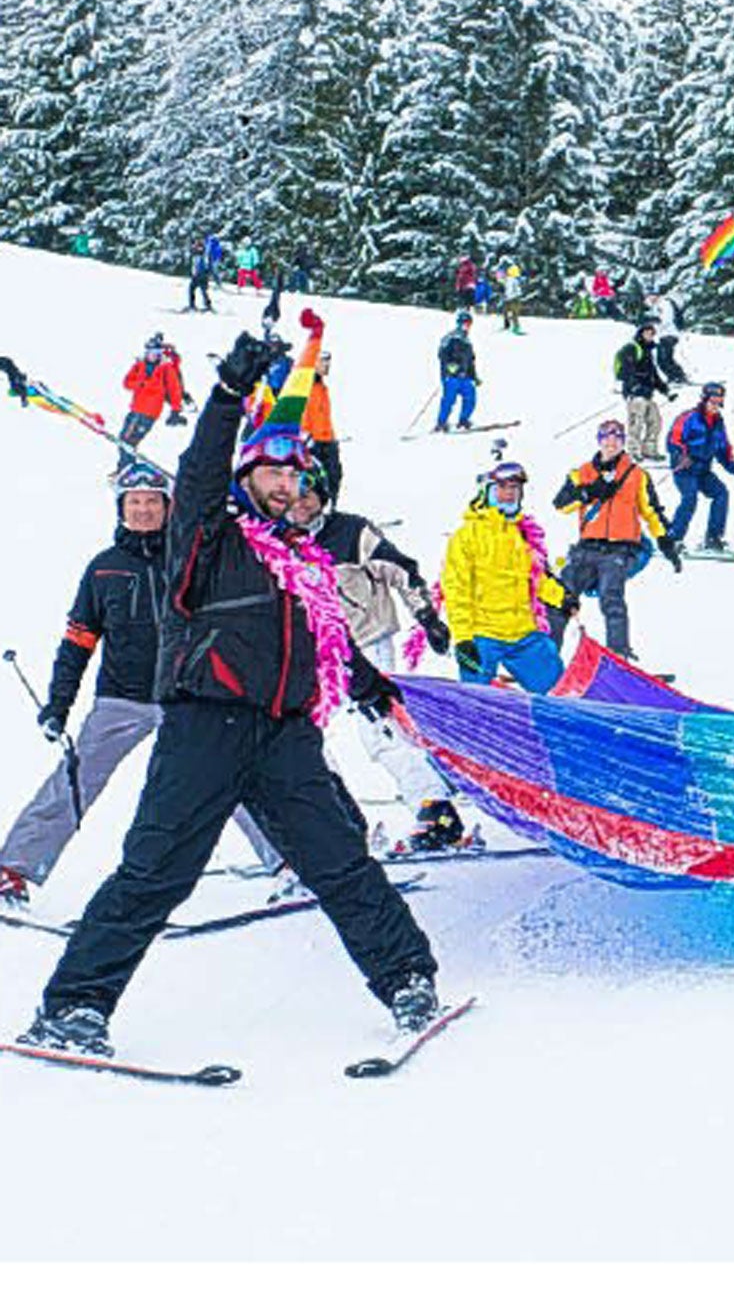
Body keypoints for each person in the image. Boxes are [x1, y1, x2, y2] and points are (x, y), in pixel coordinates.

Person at [15, 331, 439, 1059]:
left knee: (340, 860)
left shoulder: (307, 563)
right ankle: (73, 1007)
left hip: (285, 737)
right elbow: (199, 469)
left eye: (293, 475)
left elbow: (329, 645)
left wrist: (377, 693)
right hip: (203, 727)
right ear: (247, 477)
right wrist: (228, 394)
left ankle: (407, 979)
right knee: (155, 871)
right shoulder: (208, 534)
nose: (283, 485)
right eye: (269, 472)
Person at [0, 465, 284, 909]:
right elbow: (77, 642)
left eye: (153, 501)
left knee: (229, 775)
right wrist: (59, 704)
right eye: (134, 502)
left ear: (169, 507)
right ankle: (13, 869)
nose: (144, 509)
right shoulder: (103, 570)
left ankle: (288, 862)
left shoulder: (190, 558)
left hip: (190, 695)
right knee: (76, 778)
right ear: (121, 509)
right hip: (123, 697)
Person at [284, 460, 453, 844]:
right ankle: (338, 820)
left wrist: (426, 616)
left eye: (308, 494)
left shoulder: (351, 531)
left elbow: (401, 571)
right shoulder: (278, 542)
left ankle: (434, 807)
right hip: (313, 655)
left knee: (380, 729)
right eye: (293, 496)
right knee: (303, 738)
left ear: (322, 495)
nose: (301, 504)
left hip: (367, 641)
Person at [442, 458, 574, 693]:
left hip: (523, 633)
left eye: (515, 488)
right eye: (503, 488)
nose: (510, 494)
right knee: (477, 701)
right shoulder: (466, 536)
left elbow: (534, 577)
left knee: (559, 692)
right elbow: (455, 589)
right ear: (488, 491)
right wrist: (463, 639)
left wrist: (560, 597)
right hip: (483, 636)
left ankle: (559, 728)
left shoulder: (521, 533)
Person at [553, 419, 681, 661]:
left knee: (611, 597)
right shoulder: (581, 473)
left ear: (623, 442)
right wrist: (589, 492)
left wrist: (666, 542)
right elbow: (561, 505)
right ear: (599, 441)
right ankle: (547, 657)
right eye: (606, 438)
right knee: (561, 596)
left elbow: (651, 511)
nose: (611, 443)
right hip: (587, 547)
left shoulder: (637, 475)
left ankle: (619, 655)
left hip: (620, 549)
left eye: (617, 438)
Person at [666, 382, 734, 552]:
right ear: (704, 400)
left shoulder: (718, 423)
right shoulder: (688, 417)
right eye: (712, 401)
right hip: (685, 469)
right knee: (690, 498)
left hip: (703, 470)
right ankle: (673, 539)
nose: (715, 406)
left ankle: (713, 537)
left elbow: (723, 449)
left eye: (719, 402)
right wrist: (681, 456)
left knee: (721, 493)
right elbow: (673, 440)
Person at [118, 334, 186, 467]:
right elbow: (127, 383)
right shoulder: (139, 365)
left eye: (156, 352)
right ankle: (125, 468)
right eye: (150, 352)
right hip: (135, 410)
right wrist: (140, 383)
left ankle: (126, 468)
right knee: (124, 441)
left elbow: (174, 390)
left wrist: (175, 410)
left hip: (149, 413)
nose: (153, 355)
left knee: (128, 441)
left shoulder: (166, 368)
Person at [614, 318, 675, 462]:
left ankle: (649, 450)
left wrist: (666, 391)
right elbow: (626, 370)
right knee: (636, 422)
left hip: (647, 394)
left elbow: (653, 375)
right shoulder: (632, 348)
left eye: (652, 334)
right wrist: (634, 386)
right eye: (647, 333)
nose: (650, 336)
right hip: (635, 394)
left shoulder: (647, 352)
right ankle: (633, 452)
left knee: (655, 421)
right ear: (640, 333)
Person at [305, 348, 342, 502]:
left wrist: (332, 438)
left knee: (334, 475)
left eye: (328, 362)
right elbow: (303, 413)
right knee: (316, 480)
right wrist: (307, 437)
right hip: (314, 442)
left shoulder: (321, 387)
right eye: (323, 362)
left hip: (327, 439)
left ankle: (330, 510)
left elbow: (323, 415)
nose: (327, 366)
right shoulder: (306, 386)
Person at [435, 311, 478, 432]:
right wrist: (450, 367)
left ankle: (463, 420)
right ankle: (441, 423)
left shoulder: (467, 341)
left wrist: (474, 376)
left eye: (469, 323)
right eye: (465, 323)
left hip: (465, 376)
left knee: (471, 398)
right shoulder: (450, 337)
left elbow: (470, 360)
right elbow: (442, 354)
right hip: (451, 376)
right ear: (459, 323)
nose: (467, 326)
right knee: (449, 399)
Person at [185, 241, 214, 313]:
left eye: (200, 248)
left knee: (204, 291)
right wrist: (192, 273)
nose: (198, 249)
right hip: (195, 276)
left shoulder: (205, 256)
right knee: (191, 289)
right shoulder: (194, 255)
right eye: (197, 247)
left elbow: (209, 265)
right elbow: (193, 265)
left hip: (203, 276)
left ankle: (208, 305)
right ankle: (192, 305)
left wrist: (208, 274)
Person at [500, 264, 526, 334]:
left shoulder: (512, 279)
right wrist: (508, 297)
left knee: (511, 312)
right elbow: (509, 290)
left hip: (513, 298)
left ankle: (511, 326)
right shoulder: (511, 279)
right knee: (514, 313)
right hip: (513, 298)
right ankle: (515, 327)